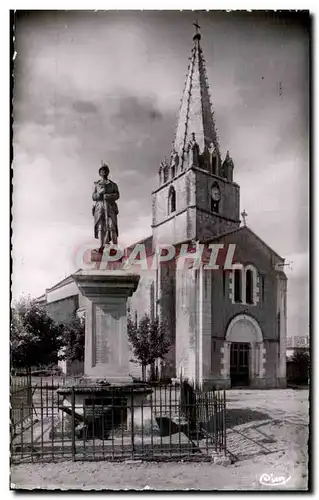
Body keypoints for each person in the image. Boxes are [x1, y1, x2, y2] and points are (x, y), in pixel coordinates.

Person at [92, 163, 119, 250]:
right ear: (100, 173)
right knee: (100, 227)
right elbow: (93, 197)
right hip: (100, 208)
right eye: (102, 171)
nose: (104, 173)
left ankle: (115, 246)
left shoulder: (112, 184)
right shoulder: (97, 185)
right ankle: (101, 246)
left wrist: (108, 196)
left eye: (105, 171)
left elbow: (117, 195)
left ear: (107, 172)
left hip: (110, 207)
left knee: (112, 226)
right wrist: (99, 193)